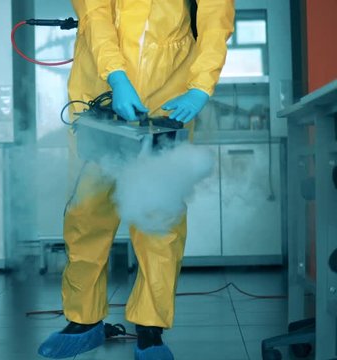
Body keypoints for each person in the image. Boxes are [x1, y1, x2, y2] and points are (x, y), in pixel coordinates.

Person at [38, 1, 234, 359]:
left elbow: (215, 23)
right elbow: (95, 15)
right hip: (99, 92)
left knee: (159, 217)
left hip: (167, 99)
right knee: (87, 214)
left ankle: (151, 327)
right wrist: (116, 76)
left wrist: (201, 87)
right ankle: (84, 320)